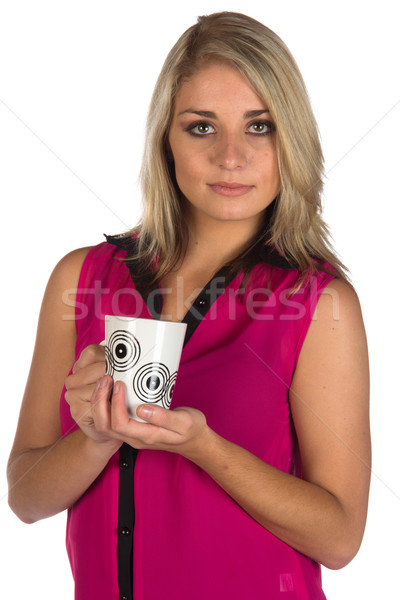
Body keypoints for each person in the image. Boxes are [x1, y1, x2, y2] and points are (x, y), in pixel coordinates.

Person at [7, 11, 370, 600]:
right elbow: (24, 497)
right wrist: (96, 436)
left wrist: (203, 448)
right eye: (202, 127)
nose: (231, 156)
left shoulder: (318, 302)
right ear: (165, 140)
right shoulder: (82, 279)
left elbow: (340, 538)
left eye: (260, 127)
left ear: (291, 139)